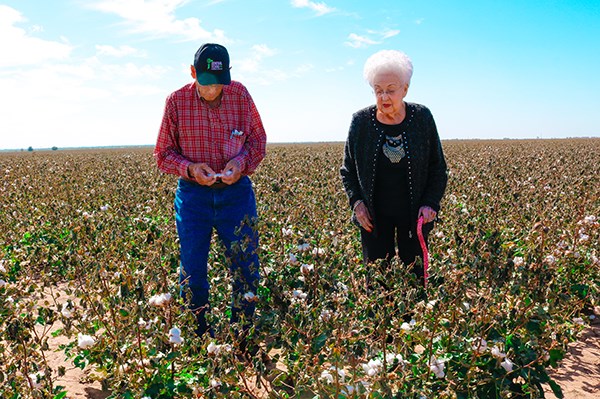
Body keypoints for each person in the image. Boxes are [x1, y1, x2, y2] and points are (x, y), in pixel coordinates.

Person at [154, 43, 267, 339]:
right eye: (206, 82)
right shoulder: (176, 102)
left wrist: (240, 163)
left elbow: (258, 142)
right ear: (193, 73)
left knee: (245, 264)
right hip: (193, 196)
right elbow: (163, 154)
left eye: (219, 81)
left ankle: (241, 334)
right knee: (192, 267)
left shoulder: (240, 95)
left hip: (236, 193)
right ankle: (198, 334)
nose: (213, 89)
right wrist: (191, 169)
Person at [340, 49, 447, 280]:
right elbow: (347, 171)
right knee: (378, 280)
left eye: (390, 90)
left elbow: (438, 167)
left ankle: (415, 316)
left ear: (405, 89)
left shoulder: (422, 118)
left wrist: (430, 203)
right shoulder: (360, 122)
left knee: (417, 278)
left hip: (413, 215)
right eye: (378, 91)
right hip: (374, 218)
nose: (384, 97)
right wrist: (357, 204)